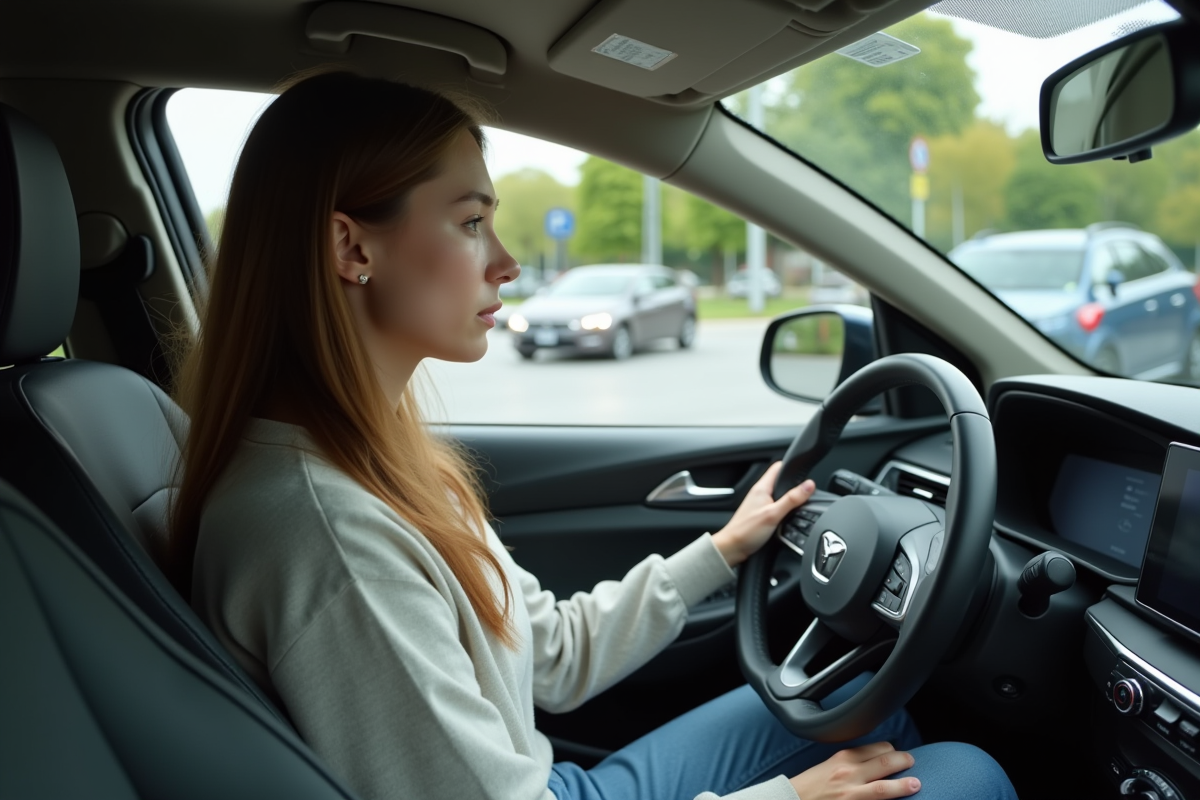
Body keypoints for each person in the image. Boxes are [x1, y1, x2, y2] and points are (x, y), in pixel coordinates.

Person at [173, 70, 1018, 800]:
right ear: (351, 246)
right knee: (964, 775)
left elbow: (551, 657)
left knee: (868, 700)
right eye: (470, 223)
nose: (506, 261)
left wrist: (721, 550)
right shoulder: (330, 536)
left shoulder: (370, 459)